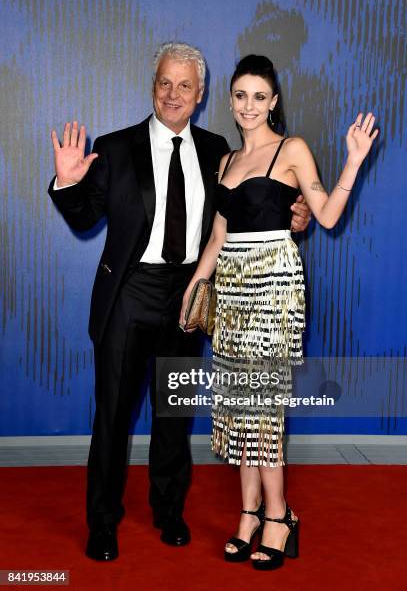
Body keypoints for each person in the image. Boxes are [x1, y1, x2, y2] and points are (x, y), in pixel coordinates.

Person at [48, 43, 311, 561]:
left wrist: (295, 216)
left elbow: (252, 215)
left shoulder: (220, 152)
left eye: (185, 85)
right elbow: (83, 218)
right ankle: (103, 522)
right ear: (154, 86)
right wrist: (68, 182)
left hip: (189, 296)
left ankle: (169, 511)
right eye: (165, 82)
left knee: (173, 416)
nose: (173, 94)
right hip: (128, 294)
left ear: (200, 94)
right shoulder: (116, 147)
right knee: (113, 418)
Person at [180, 54, 378, 570]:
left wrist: (353, 160)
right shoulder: (225, 162)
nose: (249, 106)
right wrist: (196, 285)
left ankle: (278, 515)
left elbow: (328, 216)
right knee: (239, 410)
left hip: (275, 291)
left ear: (274, 101)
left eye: (260, 96)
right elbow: (219, 236)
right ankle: (248, 513)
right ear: (229, 99)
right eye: (241, 96)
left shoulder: (292, 149)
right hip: (232, 293)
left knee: (262, 411)